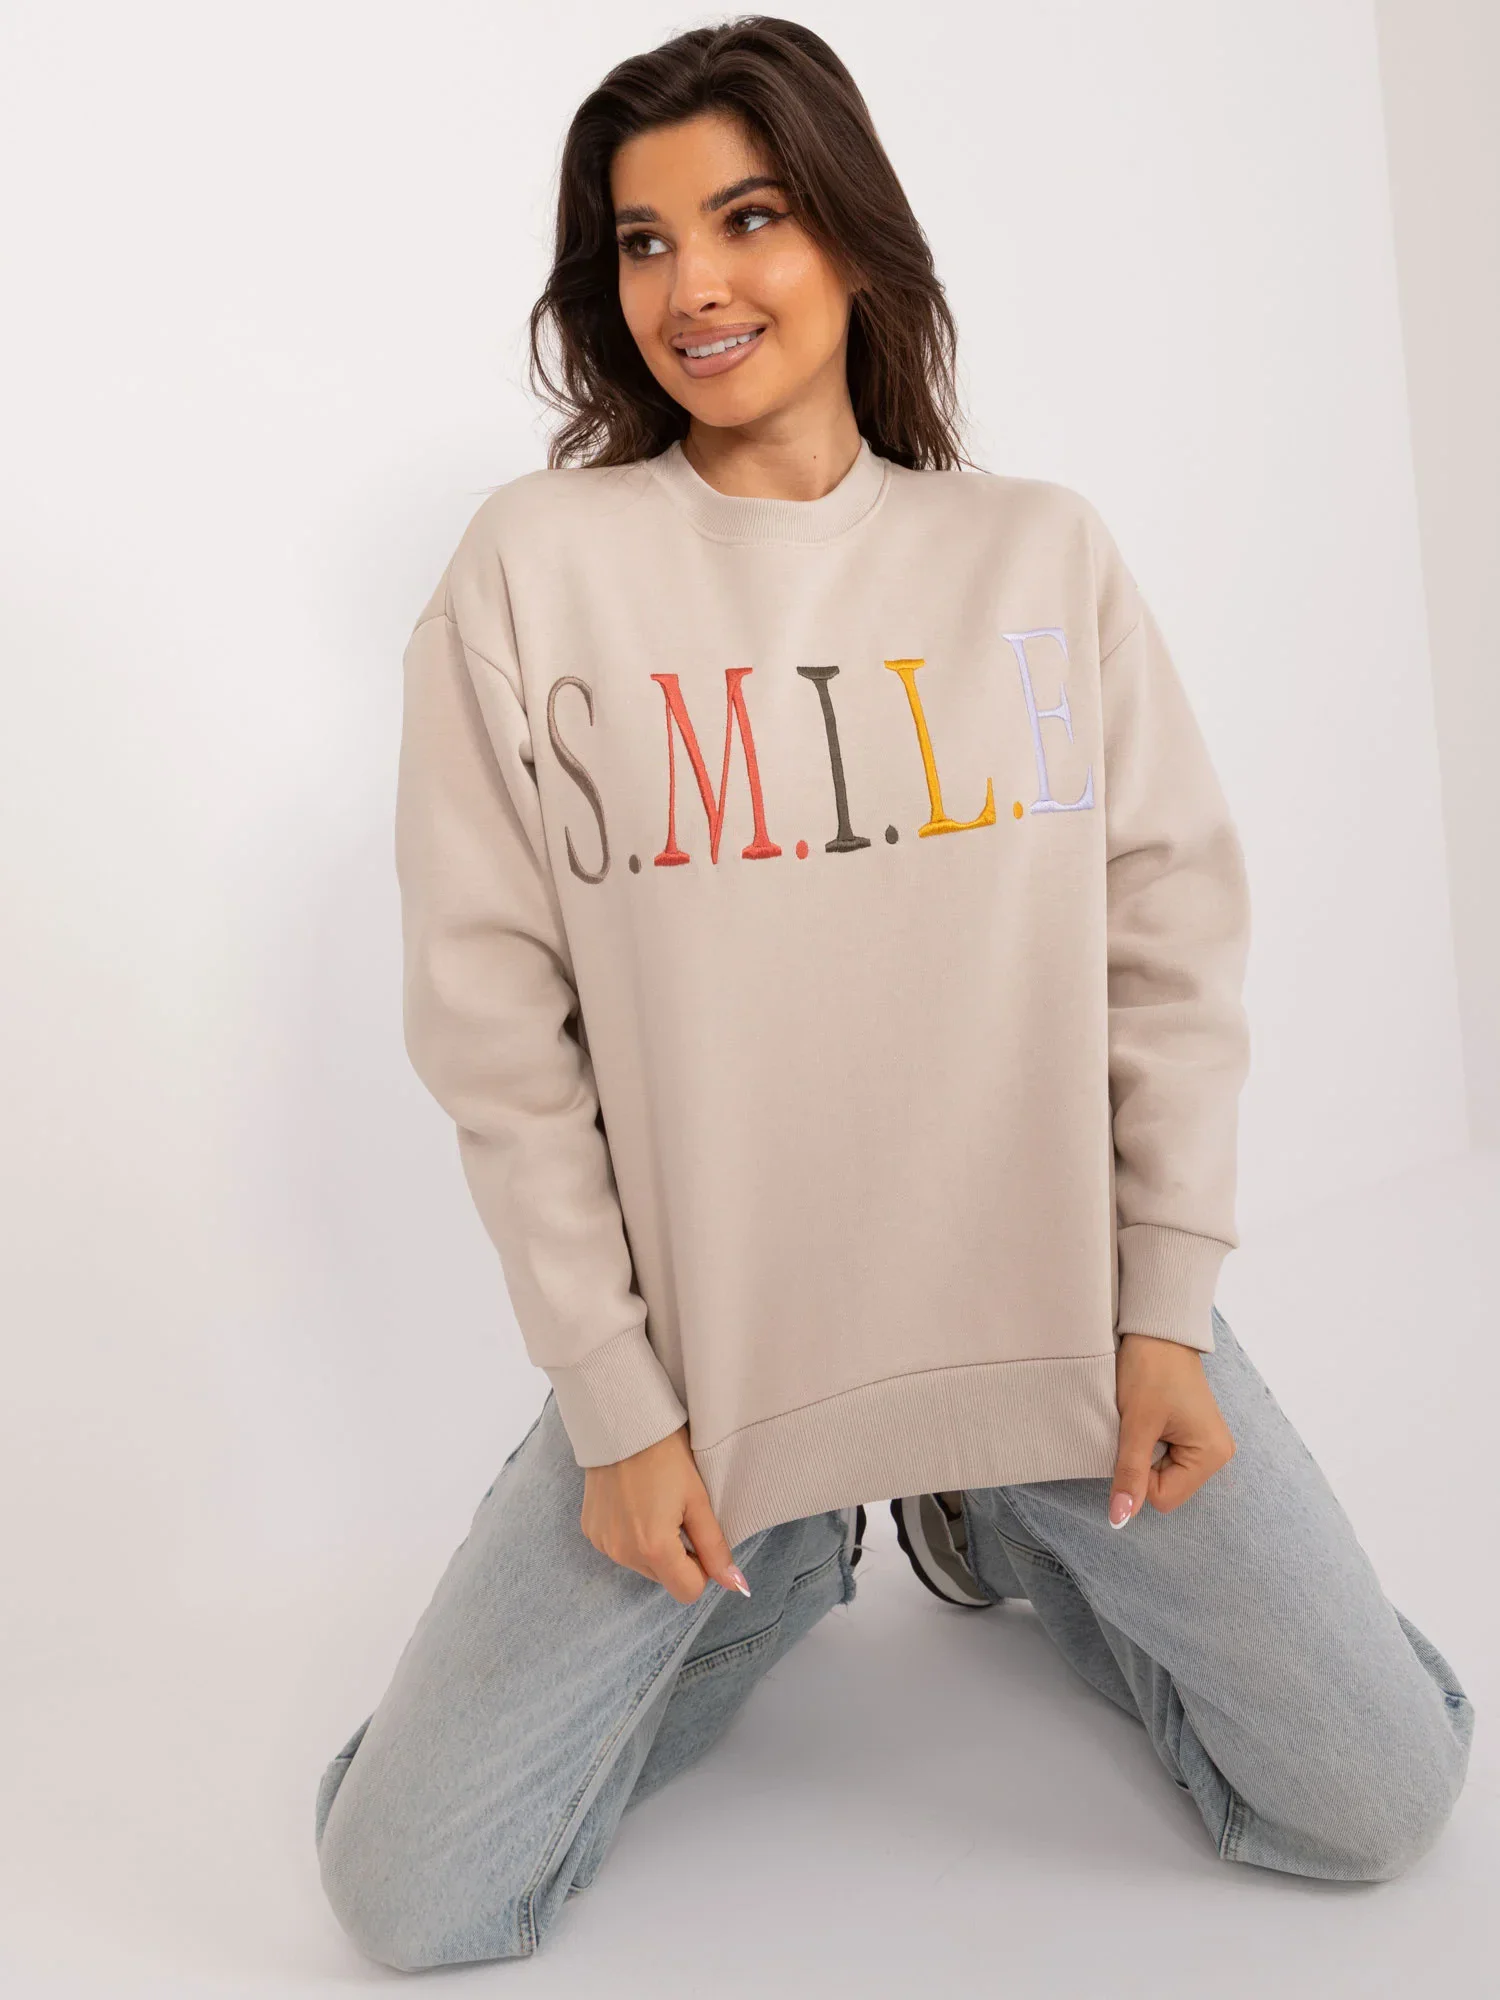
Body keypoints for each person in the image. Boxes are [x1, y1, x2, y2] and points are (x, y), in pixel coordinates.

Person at [312, 16, 1475, 1970]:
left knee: (1377, 1801)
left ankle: (990, 1516)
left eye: (747, 217)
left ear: (853, 233)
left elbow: (1167, 941)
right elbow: (496, 1036)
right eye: (642, 241)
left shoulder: (1034, 555)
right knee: (410, 1899)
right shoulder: (535, 570)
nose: (693, 285)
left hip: (1063, 1338)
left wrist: (1163, 1308)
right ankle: (794, 1560)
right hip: (712, 1388)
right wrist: (619, 1410)